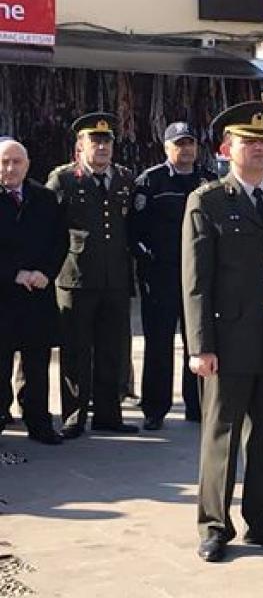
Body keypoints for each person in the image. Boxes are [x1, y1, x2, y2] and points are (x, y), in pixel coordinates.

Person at [182, 101, 263, 563]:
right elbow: (196, 282)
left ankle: (262, 518)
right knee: (222, 434)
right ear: (226, 149)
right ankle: (214, 525)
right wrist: (200, 346)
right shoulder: (208, 201)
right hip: (228, 340)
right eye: (249, 142)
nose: (260, 149)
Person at [47, 113, 139, 438]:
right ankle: (74, 416)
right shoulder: (64, 179)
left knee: (111, 349)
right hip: (76, 279)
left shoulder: (125, 179)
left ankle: (108, 414)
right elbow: (49, 227)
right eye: (95, 141)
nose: (102, 147)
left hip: (115, 279)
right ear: (80, 146)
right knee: (75, 350)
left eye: (107, 141)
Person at [130, 122, 216, 430]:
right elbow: (134, 230)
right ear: (166, 148)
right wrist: (149, 261)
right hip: (161, 276)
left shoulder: (209, 181)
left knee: (199, 341)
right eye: (179, 144)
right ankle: (155, 409)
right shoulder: (150, 181)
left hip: (199, 276)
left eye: (190, 143)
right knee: (158, 343)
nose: (186, 149)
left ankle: (197, 405)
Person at [0, 140, 67, 444]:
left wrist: (46, 273)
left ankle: (38, 421)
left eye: (17, 161)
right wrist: (14, 273)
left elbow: (60, 241)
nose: (10, 168)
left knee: (37, 363)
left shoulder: (45, 198)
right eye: (4, 162)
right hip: (3, 294)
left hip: (36, 295)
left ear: (27, 165)